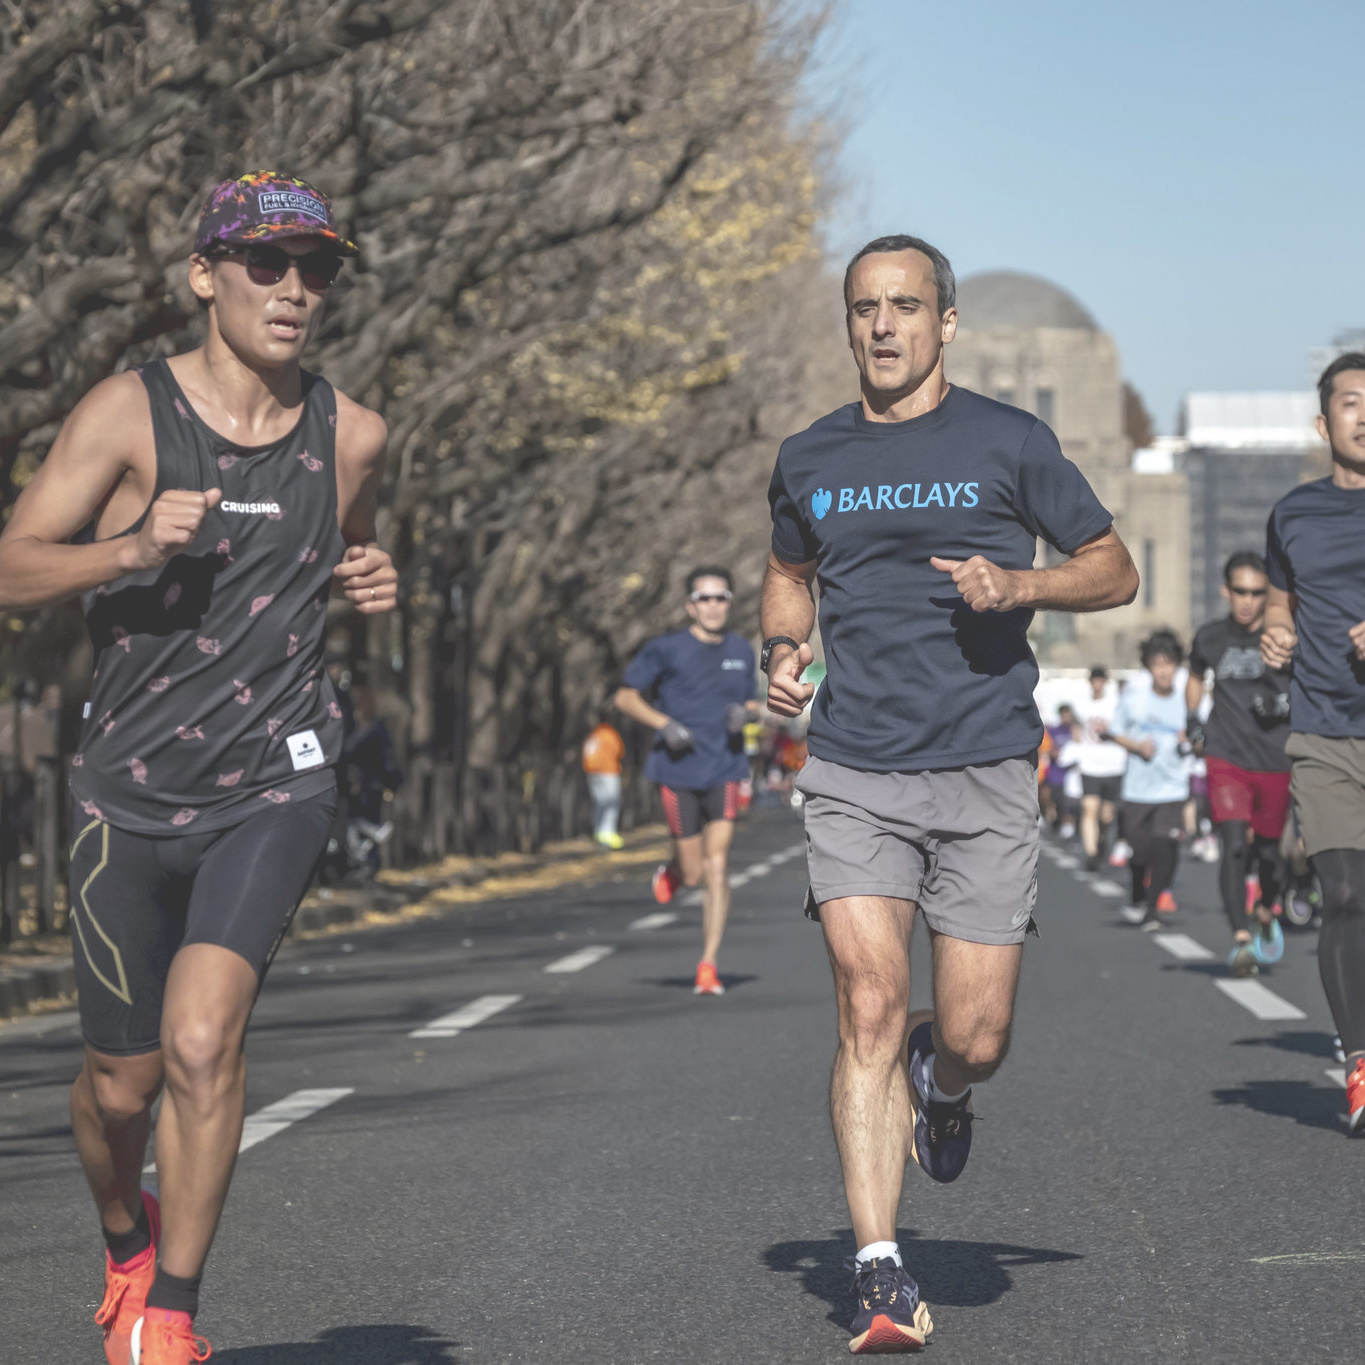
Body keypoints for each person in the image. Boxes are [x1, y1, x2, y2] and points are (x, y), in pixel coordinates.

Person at [0, 171, 397, 1364]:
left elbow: (353, 551)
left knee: (202, 1043)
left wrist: (371, 575)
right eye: (266, 264)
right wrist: (126, 548)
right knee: (119, 1090)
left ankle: (172, 1310)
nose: (294, 289)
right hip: (126, 792)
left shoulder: (355, 434)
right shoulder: (127, 414)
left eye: (316, 269)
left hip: (275, 783)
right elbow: (13, 565)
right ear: (204, 276)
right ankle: (126, 1236)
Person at [762, 233, 1137, 1352]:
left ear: (946, 322)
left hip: (983, 766)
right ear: (849, 323)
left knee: (977, 1033)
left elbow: (1112, 566)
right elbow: (787, 570)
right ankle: (879, 1267)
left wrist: (1019, 584)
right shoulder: (808, 453)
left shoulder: (1008, 440)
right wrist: (783, 647)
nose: (884, 325)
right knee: (868, 1003)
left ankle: (945, 1075)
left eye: (906, 306)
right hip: (854, 768)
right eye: (865, 308)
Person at [1262, 351, 1365, 1135]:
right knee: (1344, 894)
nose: (1364, 414)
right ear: (1322, 422)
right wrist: (1275, 630)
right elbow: (1279, 599)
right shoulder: (1291, 513)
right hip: (1324, 730)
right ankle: (1359, 1061)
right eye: (1350, 401)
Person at [614, 567, 759, 995]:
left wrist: (746, 713)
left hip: (725, 768)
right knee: (694, 874)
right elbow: (625, 697)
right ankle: (676, 870)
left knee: (718, 865)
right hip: (678, 770)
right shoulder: (666, 649)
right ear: (690, 606)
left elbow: (752, 701)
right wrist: (664, 724)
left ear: (730, 603)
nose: (713, 606)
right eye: (704, 598)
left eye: (721, 598)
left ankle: (708, 965)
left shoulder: (741, 650)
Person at [1186, 551, 1291, 976]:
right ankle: (1242, 939)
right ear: (1225, 591)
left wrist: (1284, 703)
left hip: (1275, 759)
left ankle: (1266, 907)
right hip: (1226, 755)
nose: (1248, 601)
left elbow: (1315, 685)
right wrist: (1192, 719)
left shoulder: (1285, 636)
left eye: (1257, 593)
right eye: (1240, 592)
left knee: (1269, 853)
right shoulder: (1210, 637)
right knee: (1232, 845)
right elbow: (1195, 677)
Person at [1107, 631, 1191, 928]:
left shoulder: (1187, 700)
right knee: (1140, 849)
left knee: (1164, 843)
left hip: (1173, 787)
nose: (1164, 671)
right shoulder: (1135, 698)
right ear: (1149, 667)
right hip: (1138, 788)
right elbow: (1115, 732)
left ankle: (1152, 909)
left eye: (1169, 663)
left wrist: (1191, 740)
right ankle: (1137, 886)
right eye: (1158, 664)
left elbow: (1202, 738)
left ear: (1177, 665)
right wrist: (1137, 746)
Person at [1074, 666, 1127, 870]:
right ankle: (1091, 853)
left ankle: (1101, 840)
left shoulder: (1116, 703)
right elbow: (1076, 728)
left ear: (1105, 682)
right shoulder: (1081, 705)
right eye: (1094, 680)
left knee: (1107, 815)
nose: (1097, 683)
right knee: (1089, 808)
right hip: (1090, 765)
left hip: (1113, 765)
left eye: (1100, 680)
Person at [582, 710, 626, 849]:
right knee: (611, 803)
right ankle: (608, 834)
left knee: (599, 803)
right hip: (608, 772)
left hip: (592, 774)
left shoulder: (593, 735)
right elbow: (619, 751)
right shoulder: (609, 734)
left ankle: (599, 833)